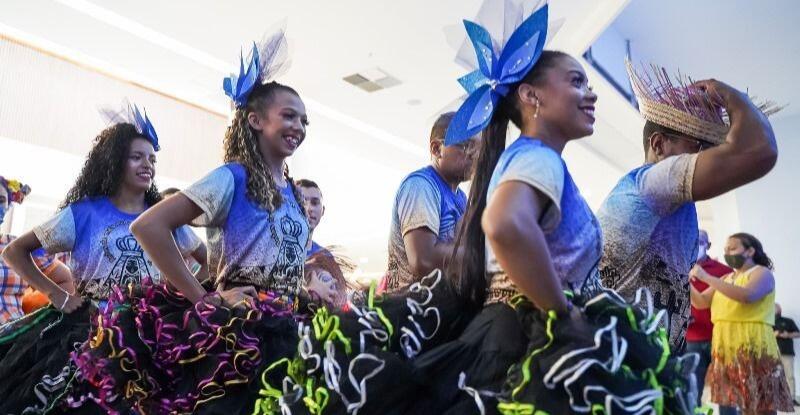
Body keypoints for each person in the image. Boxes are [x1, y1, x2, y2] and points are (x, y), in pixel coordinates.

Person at [408, 3, 696, 413]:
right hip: (529, 344)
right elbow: (504, 224)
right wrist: (561, 313)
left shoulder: (534, 159)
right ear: (531, 96)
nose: (591, 93)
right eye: (577, 81)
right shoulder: (537, 158)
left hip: (517, 334)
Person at [74, 30, 319, 413]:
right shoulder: (232, 177)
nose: (299, 127)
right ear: (255, 120)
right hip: (239, 334)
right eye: (288, 116)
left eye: (304, 120)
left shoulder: (292, 191)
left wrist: (304, 291)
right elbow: (148, 227)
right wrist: (205, 299)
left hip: (290, 328)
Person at [0, 105, 205, 413]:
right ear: (114, 160)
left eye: (152, 159)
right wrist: (57, 295)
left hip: (152, 335)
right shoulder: (83, 213)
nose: (147, 165)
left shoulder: (162, 217)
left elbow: (209, 262)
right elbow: (15, 251)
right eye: (137, 157)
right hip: (88, 331)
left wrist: (179, 295)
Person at [599, 60, 781, 351]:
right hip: (624, 355)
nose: (710, 157)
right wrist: (731, 95)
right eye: (699, 146)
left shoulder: (675, 201)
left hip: (647, 354)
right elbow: (760, 151)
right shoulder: (653, 182)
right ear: (658, 145)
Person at [690, 233, 793, 413]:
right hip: (726, 346)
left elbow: (747, 296)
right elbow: (701, 302)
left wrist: (706, 277)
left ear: (750, 251)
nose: (727, 253)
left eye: (732, 248)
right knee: (729, 401)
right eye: (725, 250)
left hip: (753, 344)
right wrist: (684, 281)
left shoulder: (762, 273)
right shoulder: (726, 278)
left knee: (760, 403)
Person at [383, 111, 475, 292]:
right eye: (465, 146)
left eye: (476, 148)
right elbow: (423, 260)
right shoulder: (420, 185)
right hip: (410, 303)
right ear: (436, 149)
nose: (473, 154)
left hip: (437, 302)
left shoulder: (461, 197)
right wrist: (480, 255)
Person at [0, 176, 73, 323]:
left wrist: (39, 318)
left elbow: (66, 281)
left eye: (1, 200)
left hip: (14, 334)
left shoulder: (17, 247)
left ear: (8, 205)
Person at [687, 229, 732, 404]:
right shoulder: (676, 270)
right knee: (691, 389)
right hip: (691, 338)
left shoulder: (725, 271)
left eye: (699, 242)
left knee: (726, 391)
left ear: (708, 245)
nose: (694, 245)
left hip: (721, 338)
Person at [775, 303, 800, 405]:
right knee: (774, 377)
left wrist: (788, 335)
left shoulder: (788, 321)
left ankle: (792, 398)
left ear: (780, 309)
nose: (773, 309)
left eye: (775, 307)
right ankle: (775, 399)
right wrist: (774, 334)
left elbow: (798, 333)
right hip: (773, 354)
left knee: (790, 376)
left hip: (787, 353)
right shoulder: (768, 322)